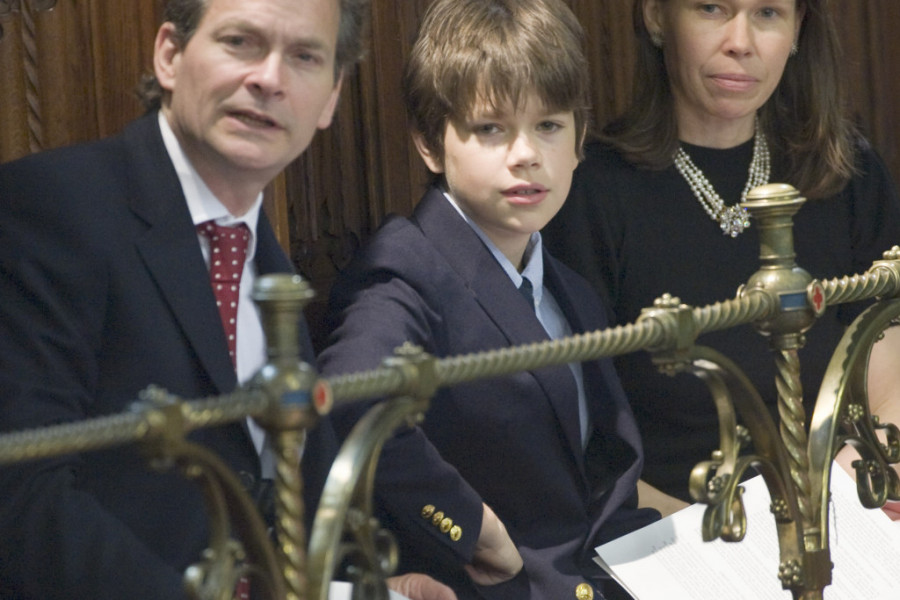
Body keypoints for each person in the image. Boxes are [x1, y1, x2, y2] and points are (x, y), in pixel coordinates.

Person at [0, 0, 456, 599]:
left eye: (304, 57)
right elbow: (23, 499)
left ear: (331, 98)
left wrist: (360, 591)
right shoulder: (47, 207)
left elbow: (274, 508)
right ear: (169, 54)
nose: (269, 78)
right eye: (240, 42)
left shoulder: (266, 257)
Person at [317, 1, 660, 598]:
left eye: (549, 126)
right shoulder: (404, 266)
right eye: (491, 129)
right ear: (430, 144)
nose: (526, 154)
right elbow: (349, 398)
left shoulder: (570, 288)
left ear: (579, 138)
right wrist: (469, 527)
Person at [542, 0, 900, 514]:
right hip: (669, 535)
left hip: (842, 516)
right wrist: (730, 544)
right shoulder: (587, 193)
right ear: (656, 17)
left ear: (798, 29)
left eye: (768, 14)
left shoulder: (847, 172)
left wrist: (829, 511)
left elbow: (889, 388)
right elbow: (585, 444)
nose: (740, 42)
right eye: (712, 8)